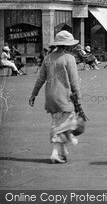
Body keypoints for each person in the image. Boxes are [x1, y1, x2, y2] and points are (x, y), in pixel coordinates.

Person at [28, 31, 82, 163]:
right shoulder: (69, 58)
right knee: (63, 125)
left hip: (51, 97)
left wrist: (33, 94)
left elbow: (40, 79)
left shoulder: (48, 58)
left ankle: (63, 151)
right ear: (68, 45)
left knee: (60, 123)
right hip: (64, 97)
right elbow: (74, 81)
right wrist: (79, 97)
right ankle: (55, 153)